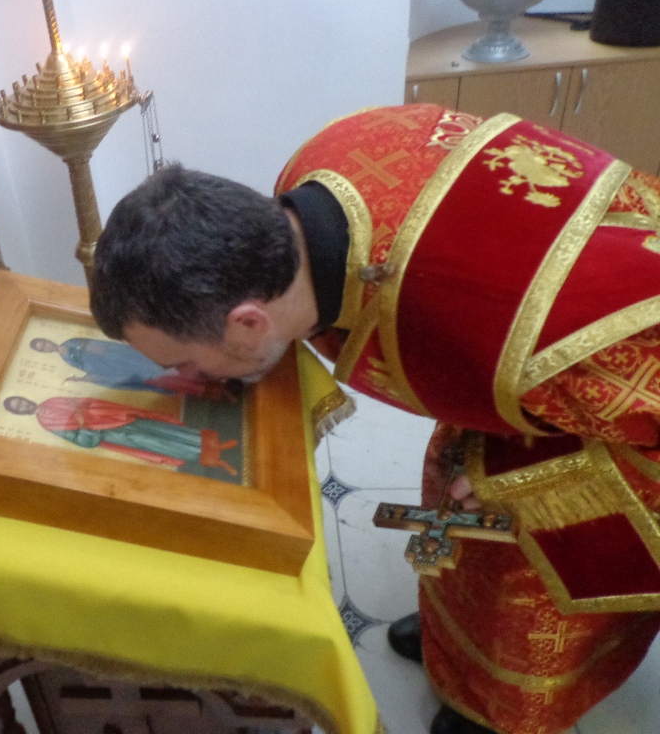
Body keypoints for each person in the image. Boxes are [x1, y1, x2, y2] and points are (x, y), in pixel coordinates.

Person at [88, 103, 660, 734]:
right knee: (456, 508)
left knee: (522, 575)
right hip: (522, 364)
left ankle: (505, 714)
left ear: (248, 322)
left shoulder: (485, 329)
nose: (191, 380)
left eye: (187, 362)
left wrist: (527, 476)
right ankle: (457, 652)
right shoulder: (312, 176)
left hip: (618, 373)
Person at [3, 395, 239, 477]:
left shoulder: (51, 401)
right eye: (18, 407)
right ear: (19, 412)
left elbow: (84, 401)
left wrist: (88, 411)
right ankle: (212, 458)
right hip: (112, 433)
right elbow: (79, 439)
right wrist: (85, 424)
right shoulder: (47, 423)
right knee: (156, 443)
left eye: (20, 401)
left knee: (159, 428)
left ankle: (214, 443)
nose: (22, 404)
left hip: (114, 416)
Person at [28, 336, 232, 399]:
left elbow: (101, 348)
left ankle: (217, 376)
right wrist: (85, 378)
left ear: (47, 340)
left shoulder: (72, 343)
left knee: (165, 369)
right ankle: (214, 391)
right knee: (164, 381)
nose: (46, 346)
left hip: (125, 359)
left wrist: (93, 353)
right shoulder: (67, 358)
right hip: (119, 370)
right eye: (42, 348)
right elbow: (91, 367)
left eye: (43, 343)